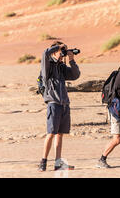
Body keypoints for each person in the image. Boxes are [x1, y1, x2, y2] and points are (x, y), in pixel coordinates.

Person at [38, 41, 81, 172]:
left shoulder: (62, 67)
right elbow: (45, 53)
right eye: (61, 51)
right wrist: (58, 48)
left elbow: (75, 75)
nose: (62, 54)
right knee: (50, 133)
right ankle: (43, 162)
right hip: (53, 103)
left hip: (64, 104)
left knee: (60, 134)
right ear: (54, 51)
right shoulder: (48, 66)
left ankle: (58, 163)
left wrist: (72, 60)